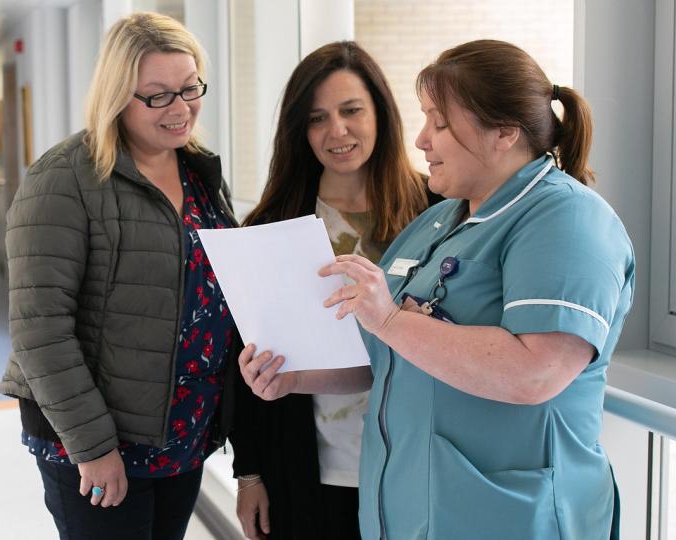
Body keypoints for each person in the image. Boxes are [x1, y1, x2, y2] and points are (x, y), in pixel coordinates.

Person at [238, 39, 634, 539]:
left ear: (504, 133)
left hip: (510, 515)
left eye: (439, 123)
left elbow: (537, 371)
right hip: (414, 510)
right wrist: (296, 378)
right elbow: (388, 355)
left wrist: (389, 318)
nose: (422, 140)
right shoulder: (439, 221)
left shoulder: (568, 219)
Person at [0, 12, 237, 540]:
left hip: (181, 430)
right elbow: (40, 328)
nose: (180, 109)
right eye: (157, 96)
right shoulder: (65, 177)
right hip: (95, 442)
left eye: (190, 87)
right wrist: (94, 448)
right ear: (116, 95)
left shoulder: (198, 172)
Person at [228, 42, 431, 540]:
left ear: (380, 113)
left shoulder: (437, 208)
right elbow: (248, 357)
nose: (337, 131)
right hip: (311, 469)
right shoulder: (275, 224)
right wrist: (249, 473)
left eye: (351, 110)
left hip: (421, 463)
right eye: (318, 118)